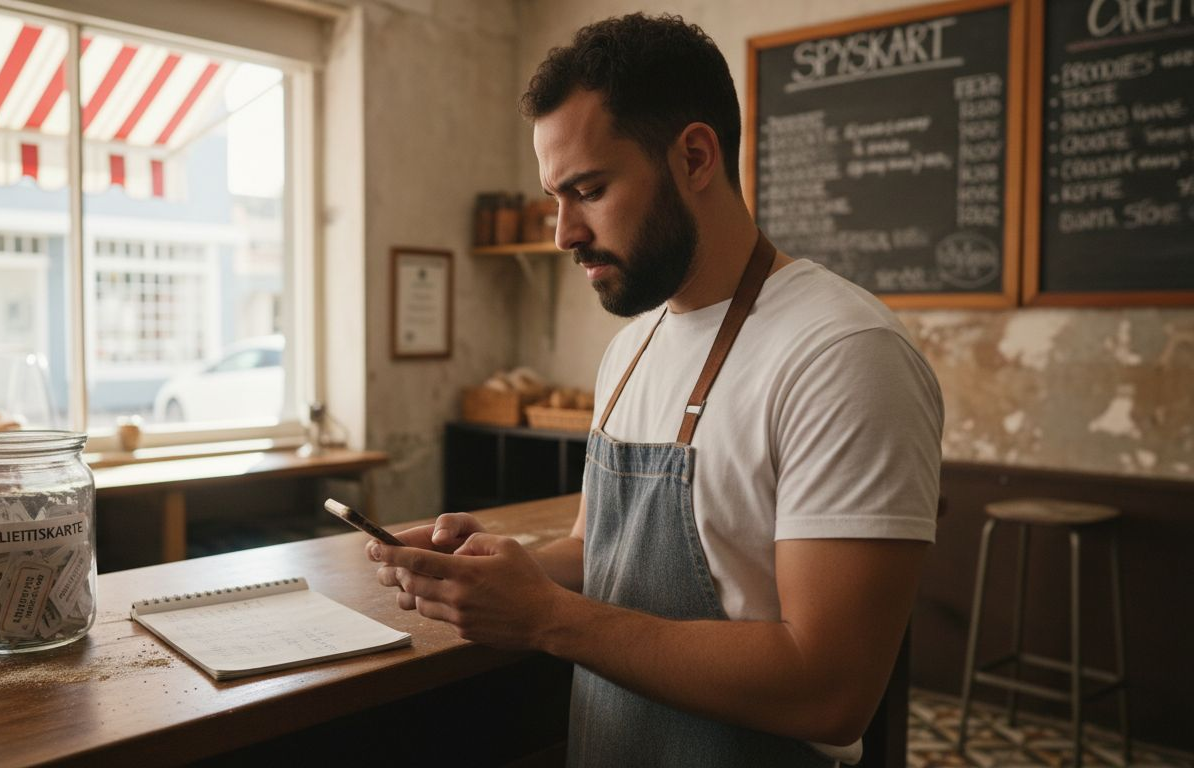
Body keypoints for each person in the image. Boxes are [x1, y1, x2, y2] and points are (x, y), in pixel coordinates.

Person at [367, 13, 943, 767]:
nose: (563, 233)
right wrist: (497, 566)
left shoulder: (842, 355)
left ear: (696, 156)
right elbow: (595, 549)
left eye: (589, 189)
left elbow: (829, 691)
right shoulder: (630, 349)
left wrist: (547, 621)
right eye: (554, 199)